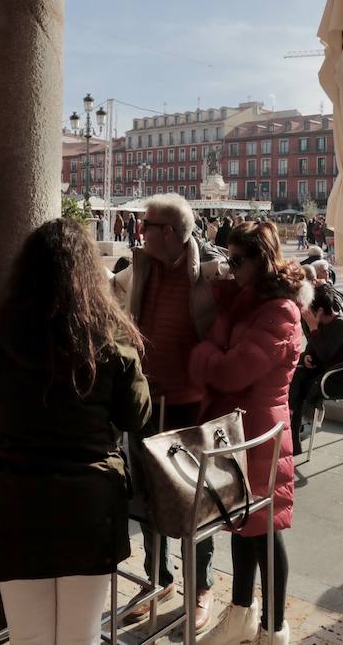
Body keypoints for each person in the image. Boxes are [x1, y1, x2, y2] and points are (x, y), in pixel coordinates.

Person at [0, 219, 151, 645]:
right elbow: (137, 416)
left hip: (14, 498)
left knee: (28, 638)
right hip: (89, 500)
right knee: (80, 636)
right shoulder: (110, 339)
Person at [111, 194, 225, 629]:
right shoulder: (138, 268)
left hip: (190, 405)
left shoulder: (211, 274)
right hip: (145, 404)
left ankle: (202, 587)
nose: (140, 231)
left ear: (173, 233)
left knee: (197, 501)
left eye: (149, 226)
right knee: (148, 499)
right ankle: (158, 580)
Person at [192, 222, 304, 645]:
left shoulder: (279, 311)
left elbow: (233, 369)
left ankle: (274, 629)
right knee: (242, 523)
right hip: (239, 425)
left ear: (262, 258)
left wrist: (204, 355)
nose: (231, 268)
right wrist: (223, 297)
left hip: (261, 429)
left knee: (266, 530)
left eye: (239, 260)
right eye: (229, 259)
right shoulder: (248, 302)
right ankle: (241, 612)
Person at [289, 283, 343, 454]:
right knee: (296, 374)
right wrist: (307, 356)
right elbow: (314, 349)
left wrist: (313, 328)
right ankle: (292, 428)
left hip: (340, 378)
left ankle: (291, 417)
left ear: (320, 311)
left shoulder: (341, 325)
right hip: (325, 371)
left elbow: (327, 355)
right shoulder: (320, 324)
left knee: (298, 388)